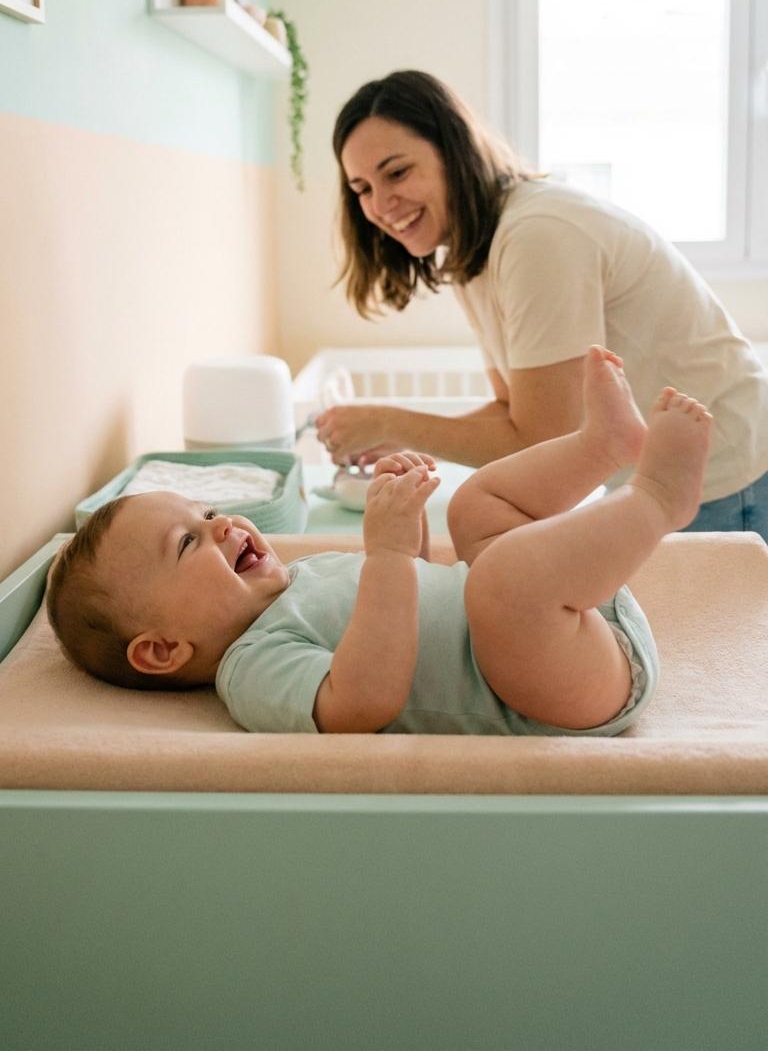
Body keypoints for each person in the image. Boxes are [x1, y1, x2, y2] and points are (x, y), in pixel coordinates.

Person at [47, 349, 712, 737]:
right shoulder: (249, 669)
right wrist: (388, 556)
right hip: (557, 688)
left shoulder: (298, 584)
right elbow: (363, 700)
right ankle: (657, 499)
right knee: (501, 580)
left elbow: (406, 611)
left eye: (211, 510)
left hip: (566, 627)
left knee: (476, 510)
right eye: (188, 544)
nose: (224, 526)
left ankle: (600, 449)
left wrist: (410, 538)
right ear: (162, 649)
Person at [316, 69, 768, 539]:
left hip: (722, 472)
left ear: (453, 153)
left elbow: (542, 437)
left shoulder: (537, 235)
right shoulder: (476, 250)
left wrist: (390, 420)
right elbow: (515, 411)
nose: (381, 204)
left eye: (397, 172)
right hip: (665, 475)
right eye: (362, 189)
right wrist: (403, 434)